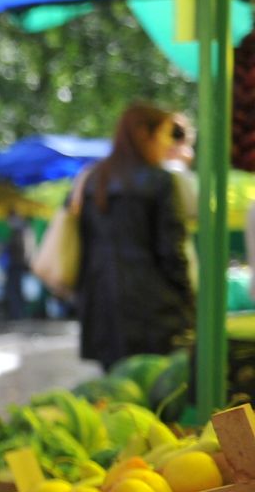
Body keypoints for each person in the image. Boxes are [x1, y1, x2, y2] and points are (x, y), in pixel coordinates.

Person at [74, 102, 194, 371]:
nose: (167, 144)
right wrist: (189, 302)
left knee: (116, 395)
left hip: (103, 309)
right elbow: (171, 252)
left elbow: (86, 247)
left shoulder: (94, 179)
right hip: (154, 313)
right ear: (143, 133)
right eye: (164, 134)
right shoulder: (159, 181)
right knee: (159, 394)